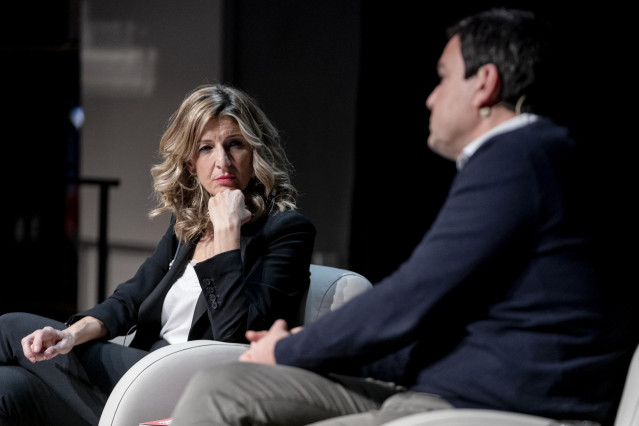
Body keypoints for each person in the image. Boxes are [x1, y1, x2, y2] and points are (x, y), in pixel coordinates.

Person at [169, 9, 637, 426]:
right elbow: (438, 316)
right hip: (431, 390)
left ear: (485, 82)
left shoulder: (522, 156)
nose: (431, 98)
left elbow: (414, 293)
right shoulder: (522, 162)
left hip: (483, 404)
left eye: (443, 77)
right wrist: (302, 348)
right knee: (221, 387)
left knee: (224, 392)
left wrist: (288, 350)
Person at [0, 83, 316, 425]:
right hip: (142, 371)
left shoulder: (286, 231)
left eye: (234, 144)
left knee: (9, 325)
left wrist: (228, 235)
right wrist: (70, 335)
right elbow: (131, 297)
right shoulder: (188, 223)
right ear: (191, 165)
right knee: (8, 388)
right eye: (206, 148)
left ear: (255, 151)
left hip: (190, 385)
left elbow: (234, 342)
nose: (222, 161)